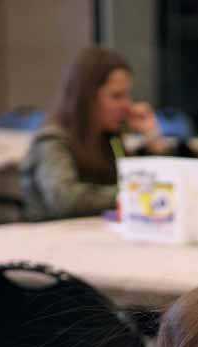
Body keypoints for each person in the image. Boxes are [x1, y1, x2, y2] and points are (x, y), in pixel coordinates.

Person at [20, 46, 169, 221]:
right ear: (87, 98)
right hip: (50, 240)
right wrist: (134, 193)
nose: (127, 105)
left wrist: (152, 138)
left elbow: (153, 186)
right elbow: (66, 200)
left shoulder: (110, 139)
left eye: (128, 95)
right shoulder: (52, 140)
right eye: (116, 96)